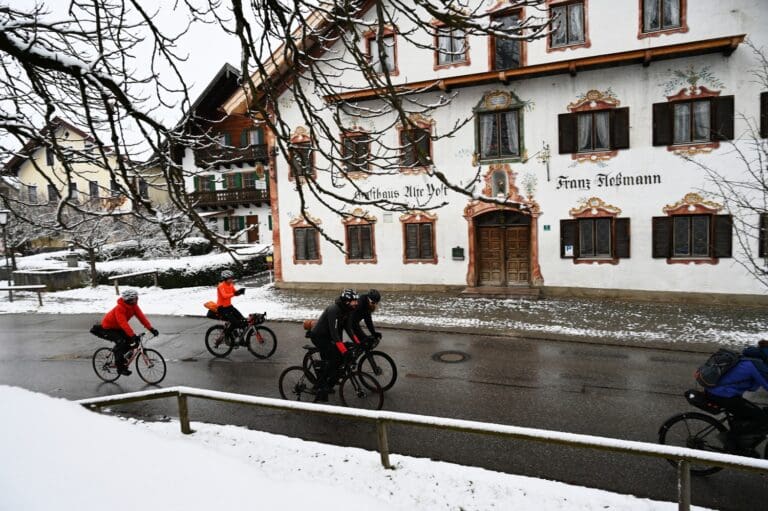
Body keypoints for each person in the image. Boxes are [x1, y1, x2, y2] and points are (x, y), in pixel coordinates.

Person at [706, 341, 768, 455]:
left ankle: (740, 442)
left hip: (717, 392)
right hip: (723, 395)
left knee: (747, 415)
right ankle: (732, 441)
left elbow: (752, 387)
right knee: (762, 418)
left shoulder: (751, 358)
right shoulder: (756, 365)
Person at [308, 289, 359, 402]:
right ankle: (320, 386)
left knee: (339, 360)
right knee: (334, 359)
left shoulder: (348, 310)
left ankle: (328, 382)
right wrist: (343, 351)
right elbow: (334, 333)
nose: (356, 303)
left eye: (356, 300)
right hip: (320, 337)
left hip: (331, 337)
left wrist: (358, 343)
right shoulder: (334, 310)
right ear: (346, 301)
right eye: (354, 301)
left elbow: (349, 329)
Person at [100, 288, 158, 375]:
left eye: (136, 298)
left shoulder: (134, 306)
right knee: (121, 342)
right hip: (108, 327)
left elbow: (142, 318)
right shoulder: (120, 308)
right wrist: (132, 335)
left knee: (132, 342)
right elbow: (123, 323)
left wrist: (151, 329)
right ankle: (120, 368)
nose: (136, 300)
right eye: (134, 298)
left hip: (118, 327)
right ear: (128, 299)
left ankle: (124, 356)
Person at [216, 270, 246, 339]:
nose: (232, 280)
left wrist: (239, 292)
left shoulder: (231, 285)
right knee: (235, 322)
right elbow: (224, 296)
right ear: (225, 279)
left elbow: (234, 293)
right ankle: (227, 335)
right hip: (222, 308)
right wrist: (234, 294)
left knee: (242, 319)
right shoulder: (221, 286)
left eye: (232, 278)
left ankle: (239, 337)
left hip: (229, 306)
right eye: (230, 278)